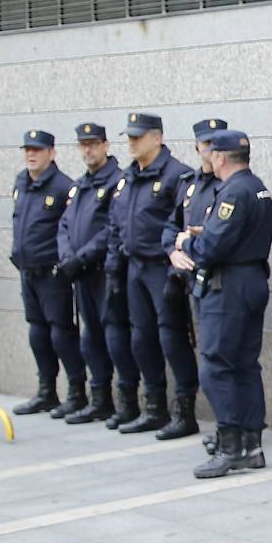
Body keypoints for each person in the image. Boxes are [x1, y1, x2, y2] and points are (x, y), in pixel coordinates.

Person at [186, 131, 272, 479]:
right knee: (244, 363)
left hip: (229, 285)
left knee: (215, 364)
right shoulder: (257, 186)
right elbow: (271, 221)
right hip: (252, 278)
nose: (207, 158)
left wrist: (187, 243)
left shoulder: (233, 191)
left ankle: (230, 447)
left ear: (221, 158)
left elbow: (212, 247)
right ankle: (252, 446)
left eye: (211, 153)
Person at [103, 113, 198, 436]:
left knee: (172, 338)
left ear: (157, 138)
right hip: (134, 268)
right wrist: (114, 267)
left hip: (163, 268)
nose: (131, 142)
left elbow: (185, 225)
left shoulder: (178, 175)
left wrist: (176, 269)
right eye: (129, 136)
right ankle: (154, 407)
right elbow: (116, 225)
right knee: (141, 339)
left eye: (138, 136)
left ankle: (185, 411)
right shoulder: (127, 177)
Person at [157, 118, 231, 447]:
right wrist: (172, 251)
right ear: (197, 147)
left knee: (218, 355)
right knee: (176, 343)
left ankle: (225, 425)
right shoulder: (189, 184)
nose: (210, 149)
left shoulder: (228, 184)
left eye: (215, 144)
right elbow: (169, 227)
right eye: (204, 144)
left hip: (216, 279)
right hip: (183, 277)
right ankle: (185, 412)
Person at [55, 123, 131, 425]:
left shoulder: (118, 182)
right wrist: (67, 256)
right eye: (83, 145)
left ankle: (126, 402)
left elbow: (110, 229)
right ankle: (99, 399)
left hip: (104, 271)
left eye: (93, 144)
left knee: (115, 336)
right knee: (91, 338)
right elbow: (64, 225)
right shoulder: (79, 185)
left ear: (106, 145)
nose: (88, 150)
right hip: (81, 273)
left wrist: (83, 256)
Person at [7, 130, 86, 416]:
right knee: (37, 332)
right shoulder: (21, 182)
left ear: (51, 153)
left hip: (53, 272)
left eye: (37, 150)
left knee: (61, 334)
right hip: (28, 270)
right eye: (27, 149)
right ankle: (46, 391)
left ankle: (77, 392)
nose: (31, 155)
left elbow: (68, 230)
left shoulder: (63, 186)